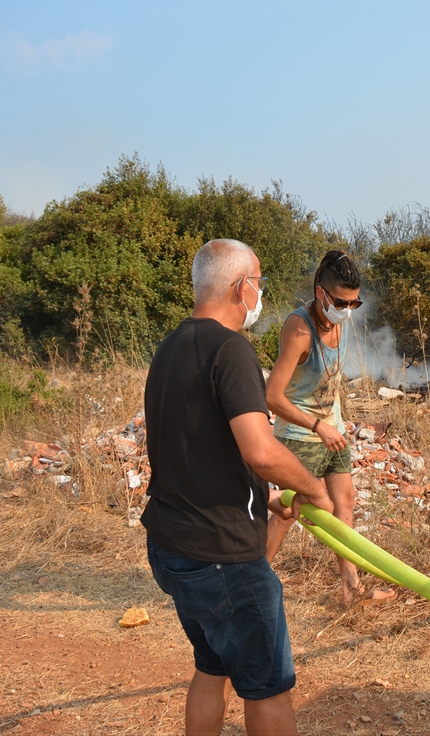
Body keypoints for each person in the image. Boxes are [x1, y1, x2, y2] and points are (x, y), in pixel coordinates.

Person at [142, 238, 334, 736]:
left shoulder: (170, 347)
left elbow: (194, 443)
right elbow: (260, 449)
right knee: (267, 685)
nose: (261, 294)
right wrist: (312, 486)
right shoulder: (231, 351)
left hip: (171, 546)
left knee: (212, 667)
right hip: (222, 559)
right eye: (260, 283)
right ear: (240, 287)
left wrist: (264, 495)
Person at [264, 250, 393, 606]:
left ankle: (352, 591)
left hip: (332, 432)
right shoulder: (298, 329)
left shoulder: (339, 320)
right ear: (321, 293)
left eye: (354, 303)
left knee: (344, 504)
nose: (348, 310)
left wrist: (334, 423)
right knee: (290, 512)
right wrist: (318, 425)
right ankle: (252, 585)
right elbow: (272, 396)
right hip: (300, 436)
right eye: (341, 302)